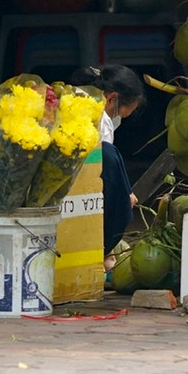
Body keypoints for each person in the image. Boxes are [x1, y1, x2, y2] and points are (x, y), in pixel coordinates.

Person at [70, 64, 145, 269]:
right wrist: (124, 196)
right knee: (111, 162)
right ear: (112, 98)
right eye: (121, 113)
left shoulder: (73, 97)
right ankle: (103, 255)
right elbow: (101, 174)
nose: (118, 120)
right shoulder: (99, 118)